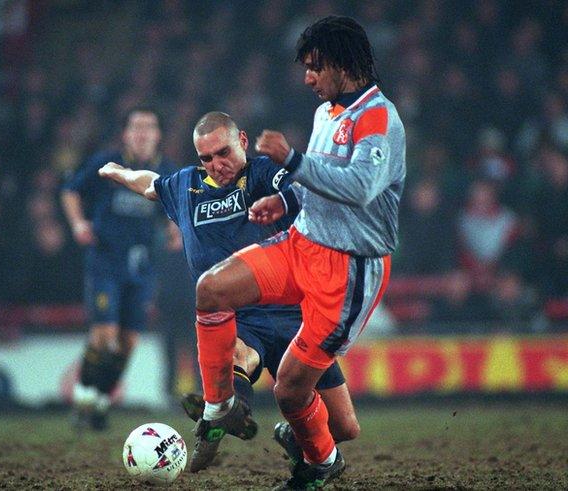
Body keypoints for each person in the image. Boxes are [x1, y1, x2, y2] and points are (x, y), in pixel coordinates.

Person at [191, 17, 406, 489]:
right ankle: (219, 406)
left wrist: (292, 161)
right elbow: (315, 184)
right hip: (300, 244)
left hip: (349, 270)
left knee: (291, 389)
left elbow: (363, 187)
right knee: (211, 289)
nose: (307, 77)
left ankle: (321, 461)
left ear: (341, 64)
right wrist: (285, 199)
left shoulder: (380, 118)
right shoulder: (326, 112)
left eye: (314, 67)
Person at [98, 111, 360, 473]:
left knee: (345, 427)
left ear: (242, 141)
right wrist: (117, 172)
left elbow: (303, 189)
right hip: (236, 316)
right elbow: (149, 184)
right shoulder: (186, 187)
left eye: (223, 153)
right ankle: (222, 413)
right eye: (206, 157)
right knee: (238, 355)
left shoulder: (265, 172)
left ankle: (273, 429)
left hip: (295, 313)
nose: (216, 165)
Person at [61, 106, 175, 430]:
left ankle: (100, 403)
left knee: (128, 343)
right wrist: (78, 223)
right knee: (104, 336)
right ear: (125, 134)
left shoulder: (165, 169)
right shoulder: (105, 163)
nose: (142, 132)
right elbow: (70, 190)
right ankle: (83, 396)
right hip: (105, 262)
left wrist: (174, 227)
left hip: (142, 268)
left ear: (158, 135)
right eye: (135, 126)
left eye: (148, 126)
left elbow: (176, 205)